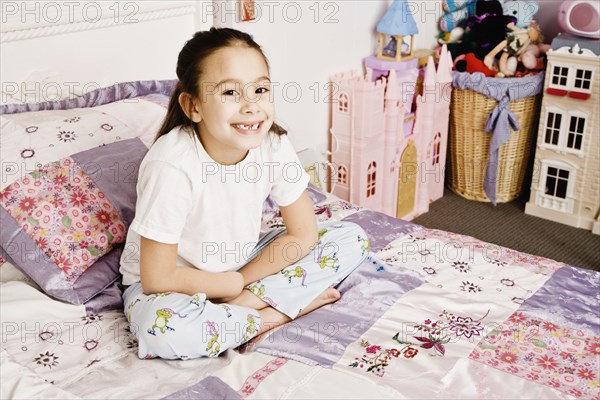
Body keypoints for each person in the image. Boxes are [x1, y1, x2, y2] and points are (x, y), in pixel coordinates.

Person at [119, 27, 370, 360]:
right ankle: (273, 314)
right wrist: (231, 285)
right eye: (230, 93)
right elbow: (157, 277)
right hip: (171, 285)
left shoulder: (273, 143)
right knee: (164, 331)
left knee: (351, 238)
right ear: (193, 106)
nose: (252, 106)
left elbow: (303, 234)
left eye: (260, 89)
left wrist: (240, 284)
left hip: (241, 264)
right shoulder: (172, 165)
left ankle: (240, 312)